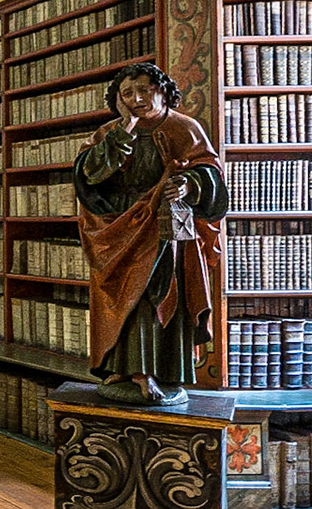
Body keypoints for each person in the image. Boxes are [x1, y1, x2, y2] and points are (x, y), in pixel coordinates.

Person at [73, 64, 227, 406]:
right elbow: (89, 176)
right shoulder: (109, 132)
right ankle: (119, 368)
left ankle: (153, 372)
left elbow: (211, 176)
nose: (137, 99)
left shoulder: (185, 128)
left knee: (155, 296)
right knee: (120, 296)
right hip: (119, 229)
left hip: (164, 227)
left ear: (162, 91)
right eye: (127, 94)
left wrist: (190, 185)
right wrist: (124, 131)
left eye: (144, 90)